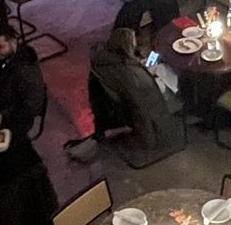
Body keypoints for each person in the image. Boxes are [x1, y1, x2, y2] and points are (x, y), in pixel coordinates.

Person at [63, 27, 184, 160]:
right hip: (141, 101)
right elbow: (146, 106)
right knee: (174, 80)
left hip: (118, 101)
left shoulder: (102, 60)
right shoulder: (133, 76)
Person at [0, 24, 46, 140]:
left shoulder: (26, 70)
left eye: (0, 46)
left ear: (13, 42)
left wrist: (1, 117)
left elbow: (32, 107)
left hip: (16, 120)